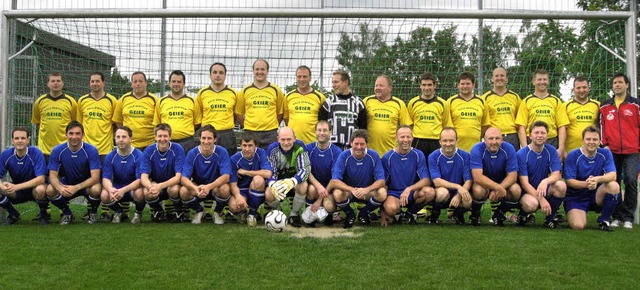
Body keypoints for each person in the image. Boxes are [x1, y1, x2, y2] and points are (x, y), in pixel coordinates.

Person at [598, 73, 640, 229]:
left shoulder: (636, 105)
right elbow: (601, 127)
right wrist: (605, 145)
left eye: (620, 82)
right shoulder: (604, 106)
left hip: (632, 150)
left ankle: (628, 216)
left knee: (630, 180)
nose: (617, 85)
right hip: (612, 151)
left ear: (627, 85)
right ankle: (617, 215)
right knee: (613, 182)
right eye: (615, 82)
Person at [77, 71, 119, 222]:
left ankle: (106, 211)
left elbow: (116, 124)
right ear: (89, 83)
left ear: (103, 83)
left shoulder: (112, 101)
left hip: (105, 149)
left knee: (105, 180)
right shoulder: (82, 101)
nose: (95, 84)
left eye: (97, 81)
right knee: (90, 181)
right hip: (87, 150)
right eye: (92, 81)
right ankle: (91, 211)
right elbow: (79, 125)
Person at [564, 126, 620, 231]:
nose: (591, 142)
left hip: (596, 195)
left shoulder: (605, 153)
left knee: (614, 185)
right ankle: (574, 214)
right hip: (576, 197)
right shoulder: (573, 155)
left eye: (595, 139)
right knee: (578, 226)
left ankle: (604, 220)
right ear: (582, 141)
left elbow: (613, 175)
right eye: (588, 139)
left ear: (600, 141)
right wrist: (587, 184)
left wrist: (596, 179)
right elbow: (569, 181)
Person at [45, 121, 102, 225]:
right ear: (66, 134)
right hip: (67, 183)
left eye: (77, 133)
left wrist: (76, 187)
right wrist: (60, 188)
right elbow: (52, 176)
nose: (74, 137)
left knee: (96, 189)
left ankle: (93, 213)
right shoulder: (57, 150)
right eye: (71, 133)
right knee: (49, 190)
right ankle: (67, 213)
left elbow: (95, 178)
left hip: (86, 184)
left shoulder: (91, 150)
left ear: (83, 135)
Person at [330, 129, 386, 228]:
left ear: (366, 144)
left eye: (362, 144)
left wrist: (367, 189)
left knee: (382, 193)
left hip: (366, 191)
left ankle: (364, 213)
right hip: (350, 191)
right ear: (351, 143)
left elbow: (381, 181)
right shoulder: (344, 156)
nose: (359, 147)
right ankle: (350, 214)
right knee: (337, 193)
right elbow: (335, 181)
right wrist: (351, 189)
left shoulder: (373, 155)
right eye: (356, 143)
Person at [517, 121, 567, 228]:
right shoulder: (522, 153)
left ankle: (550, 218)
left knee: (561, 185)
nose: (539, 135)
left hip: (544, 189)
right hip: (527, 192)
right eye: (536, 133)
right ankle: (523, 214)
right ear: (530, 135)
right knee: (532, 204)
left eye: (543, 133)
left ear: (547, 136)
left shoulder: (551, 150)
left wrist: (546, 181)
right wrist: (541, 199)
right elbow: (524, 183)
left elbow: (557, 174)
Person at [380, 126, 433, 226]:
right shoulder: (388, 157)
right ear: (396, 138)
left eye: (408, 137)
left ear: (412, 138)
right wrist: (383, 210)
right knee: (391, 209)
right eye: (402, 137)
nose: (405, 140)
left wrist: (409, 189)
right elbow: (384, 183)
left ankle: (411, 212)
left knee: (429, 192)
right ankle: (398, 213)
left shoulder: (418, 154)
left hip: (412, 192)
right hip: (394, 193)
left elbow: (426, 180)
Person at [180, 125, 232, 225]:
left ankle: (217, 212)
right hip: (198, 187)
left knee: (225, 189)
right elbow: (184, 178)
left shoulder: (222, 152)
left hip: (214, 187)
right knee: (183, 191)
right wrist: (195, 188)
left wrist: (209, 187)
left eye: (209, 138)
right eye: (203, 138)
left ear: (215, 139)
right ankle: (199, 210)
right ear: (199, 138)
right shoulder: (192, 153)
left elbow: (226, 177)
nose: (206, 141)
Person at [469, 127, 521, 226]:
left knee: (516, 190)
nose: (494, 142)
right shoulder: (476, 149)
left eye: (497, 138)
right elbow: (478, 177)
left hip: (502, 182)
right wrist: (496, 188)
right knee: (478, 191)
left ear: (502, 139)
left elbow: (513, 176)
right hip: (483, 183)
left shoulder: (509, 148)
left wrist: (499, 187)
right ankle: (475, 214)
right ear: (484, 140)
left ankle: (499, 214)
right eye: (490, 138)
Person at [515, 69, 569, 158]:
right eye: (539, 79)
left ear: (548, 81)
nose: (542, 82)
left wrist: (561, 147)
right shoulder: (526, 101)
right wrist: (525, 148)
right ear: (533, 82)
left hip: (551, 141)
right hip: (532, 141)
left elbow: (562, 126)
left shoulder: (556, 101)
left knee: (552, 169)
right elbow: (521, 127)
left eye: (544, 79)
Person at [264, 127, 310, 227]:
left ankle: (294, 215)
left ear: (294, 138)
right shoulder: (272, 149)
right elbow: (270, 171)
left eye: (289, 139)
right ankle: (278, 212)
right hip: (279, 182)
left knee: (303, 186)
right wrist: (272, 184)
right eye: (283, 139)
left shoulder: (300, 146)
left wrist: (293, 181)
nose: (286, 142)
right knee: (268, 193)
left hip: (294, 182)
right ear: (278, 139)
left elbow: (305, 169)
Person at [0, 128, 48, 225]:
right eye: (17, 138)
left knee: (41, 189)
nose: (20, 141)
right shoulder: (6, 154)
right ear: (12, 141)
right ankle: (13, 214)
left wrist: (16, 186)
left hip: (33, 189)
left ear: (28, 140)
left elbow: (41, 179)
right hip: (17, 191)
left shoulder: (36, 153)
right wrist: (3, 187)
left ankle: (43, 215)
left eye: (23, 138)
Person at [100, 126, 145, 224]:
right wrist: (111, 189)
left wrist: (123, 190)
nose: (121, 140)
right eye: (118, 137)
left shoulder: (138, 155)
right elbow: (106, 178)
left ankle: (138, 213)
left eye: (124, 137)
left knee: (140, 193)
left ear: (130, 139)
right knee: (104, 195)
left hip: (132, 189)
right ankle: (119, 212)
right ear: (115, 139)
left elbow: (140, 180)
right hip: (117, 188)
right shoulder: (110, 156)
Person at [141, 123, 185, 222]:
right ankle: (159, 211)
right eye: (159, 136)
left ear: (170, 137)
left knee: (173, 190)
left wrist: (160, 186)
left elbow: (178, 177)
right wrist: (151, 187)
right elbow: (144, 177)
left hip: (173, 184)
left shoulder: (178, 149)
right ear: (155, 137)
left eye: (165, 136)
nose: (162, 139)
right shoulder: (149, 150)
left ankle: (179, 212)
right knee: (146, 191)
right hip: (156, 184)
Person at [428, 127, 472, 225]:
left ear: (457, 140)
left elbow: (468, 180)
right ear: (440, 141)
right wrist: (457, 186)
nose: (448, 144)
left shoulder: (465, 156)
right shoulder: (433, 156)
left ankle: (457, 214)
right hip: (442, 191)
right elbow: (437, 181)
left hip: (458, 192)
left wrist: (458, 195)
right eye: (445, 141)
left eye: (451, 140)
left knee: (467, 200)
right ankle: (434, 214)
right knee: (442, 193)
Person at [237, 59, 285, 149]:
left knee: (271, 161)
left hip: (270, 134)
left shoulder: (276, 90)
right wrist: (248, 125)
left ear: (267, 71)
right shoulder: (245, 91)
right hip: (251, 133)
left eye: (262, 69)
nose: (260, 72)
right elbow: (239, 114)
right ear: (253, 71)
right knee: (252, 161)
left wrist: (270, 126)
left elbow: (280, 113)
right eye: (257, 69)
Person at [196, 62, 241, 156]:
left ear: (225, 75)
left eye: (221, 73)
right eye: (215, 72)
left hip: (227, 136)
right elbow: (199, 115)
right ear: (210, 75)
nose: (218, 75)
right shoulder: (202, 93)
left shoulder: (234, 93)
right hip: (208, 135)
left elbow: (237, 116)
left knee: (228, 165)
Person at [228, 133, 273, 227]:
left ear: (255, 146)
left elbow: (268, 173)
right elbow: (233, 184)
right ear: (240, 145)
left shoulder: (260, 153)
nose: (247, 149)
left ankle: (252, 214)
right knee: (233, 206)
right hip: (242, 190)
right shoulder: (234, 159)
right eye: (244, 145)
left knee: (258, 179)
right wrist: (238, 196)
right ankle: (243, 213)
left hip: (258, 188)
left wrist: (245, 172)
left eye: (250, 145)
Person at [305, 120, 342, 226]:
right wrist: (318, 187)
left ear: (330, 132)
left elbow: (335, 178)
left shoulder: (336, 151)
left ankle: (329, 215)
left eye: (325, 130)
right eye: (319, 130)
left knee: (329, 206)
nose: (322, 133)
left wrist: (320, 198)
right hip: (315, 187)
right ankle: (309, 214)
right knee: (311, 189)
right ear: (315, 132)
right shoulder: (308, 149)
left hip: (329, 189)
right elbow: (307, 171)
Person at [318, 70, 367, 150]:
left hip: (352, 150)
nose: (333, 85)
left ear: (346, 82)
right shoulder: (328, 103)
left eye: (336, 82)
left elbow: (363, 130)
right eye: (332, 82)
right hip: (332, 149)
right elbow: (321, 125)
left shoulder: (358, 103)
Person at [32, 72, 77, 157]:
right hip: (44, 150)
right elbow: (38, 122)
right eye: (53, 81)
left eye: (58, 81)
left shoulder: (71, 102)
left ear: (62, 83)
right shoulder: (40, 101)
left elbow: (74, 124)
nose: (55, 83)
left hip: (65, 148)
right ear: (48, 84)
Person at [155, 70, 201, 153]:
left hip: (188, 143)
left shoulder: (193, 101)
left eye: (179, 82)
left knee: (187, 166)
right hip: (167, 143)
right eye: (173, 81)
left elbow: (197, 123)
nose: (176, 84)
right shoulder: (161, 101)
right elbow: (158, 124)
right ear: (169, 83)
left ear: (184, 84)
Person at [363, 75, 412, 154]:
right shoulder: (367, 101)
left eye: (381, 85)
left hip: (391, 152)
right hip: (369, 151)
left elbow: (406, 128)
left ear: (390, 88)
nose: (377, 88)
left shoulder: (399, 104)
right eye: (376, 85)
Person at [444, 72, 489, 152]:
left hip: (476, 147)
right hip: (455, 147)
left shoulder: (482, 101)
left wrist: (476, 136)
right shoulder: (450, 102)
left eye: (468, 84)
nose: (465, 86)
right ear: (458, 85)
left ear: (473, 85)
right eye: (462, 84)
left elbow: (485, 124)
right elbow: (447, 125)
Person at [113, 71, 159, 150]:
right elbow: (117, 120)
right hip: (129, 144)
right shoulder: (123, 99)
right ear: (132, 84)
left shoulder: (154, 100)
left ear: (145, 83)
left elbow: (159, 122)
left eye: (140, 81)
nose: (138, 84)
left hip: (149, 144)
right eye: (135, 81)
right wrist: (126, 134)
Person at [407, 72, 447, 158]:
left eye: (429, 85)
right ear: (420, 86)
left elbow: (446, 125)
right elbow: (409, 124)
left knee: (435, 167)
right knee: (417, 168)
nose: (426, 88)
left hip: (436, 141)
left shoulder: (443, 103)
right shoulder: (413, 103)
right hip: (418, 141)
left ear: (434, 85)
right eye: (424, 85)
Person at [284, 65, 326, 144]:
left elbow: (322, 121)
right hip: (292, 143)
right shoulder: (288, 97)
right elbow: (286, 119)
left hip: (313, 142)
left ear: (310, 78)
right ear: (296, 78)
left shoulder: (320, 97)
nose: (302, 79)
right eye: (299, 77)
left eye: (305, 76)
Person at [481, 67, 521, 150]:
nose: (499, 78)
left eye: (502, 76)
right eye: (496, 76)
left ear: (506, 79)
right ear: (492, 79)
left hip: (512, 136)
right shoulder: (484, 98)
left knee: (511, 162)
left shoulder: (515, 97)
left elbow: (520, 121)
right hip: (493, 137)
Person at [563, 76, 599, 156]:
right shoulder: (565, 106)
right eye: (578, 88)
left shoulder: (597, 105)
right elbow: (562, 130)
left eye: (584, 87)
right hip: (571, 152)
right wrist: (563, 150)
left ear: (589, 88)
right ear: (573, 89)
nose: (582, 90)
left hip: (592, 152)